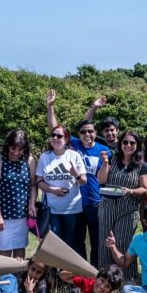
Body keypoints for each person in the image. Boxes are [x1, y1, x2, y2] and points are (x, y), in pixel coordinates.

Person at [47, 91, 109, 266]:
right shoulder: (74, 144)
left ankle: (95, 272)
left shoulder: (104, 150)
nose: (87, 134)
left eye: (90, 132)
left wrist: (95, 107)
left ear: (96, 133)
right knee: (76, 242)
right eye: (83, 132)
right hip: (75, 204)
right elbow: (55, 129)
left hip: (95, 202)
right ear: (78, 134)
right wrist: (50, 107)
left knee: (97, 241)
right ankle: (78, 273)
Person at [97, 130, 147, 281]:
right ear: (120, 144)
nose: (128, 145)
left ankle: (126, 278)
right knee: (105, 243)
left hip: (128, 208)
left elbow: (146, 189)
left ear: (138, 146)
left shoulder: (142, 166)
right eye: (125, 142)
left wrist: (131, 191)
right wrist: (105, 163)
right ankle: (105, 278)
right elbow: (101, 180)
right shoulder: (112, 159)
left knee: (123, 242)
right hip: (107, 206)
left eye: (132, 143)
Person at [36, 124, 87, 254]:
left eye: (59, 135)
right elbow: (39, 181)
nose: (55, 138)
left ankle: (70, 273)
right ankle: (53, 272)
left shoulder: (74, 155)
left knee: (71, 243)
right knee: (54, 244)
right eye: (53, 135)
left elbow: (83, 182)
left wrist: (76, 174)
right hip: (52, 209)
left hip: (72, 209)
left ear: (66, 139)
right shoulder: (44, 157)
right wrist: (52, 190)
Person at [0, 129, 37, 259]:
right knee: (5, 252)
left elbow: (33, 184)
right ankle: (6, 279)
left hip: (22, 215)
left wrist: (32, 203)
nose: (16, 152)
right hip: (3, 215)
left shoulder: (29, 160)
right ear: (7, 145)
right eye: (13, 148)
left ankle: (18, 278)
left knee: (20, 249)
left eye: (20, 149)